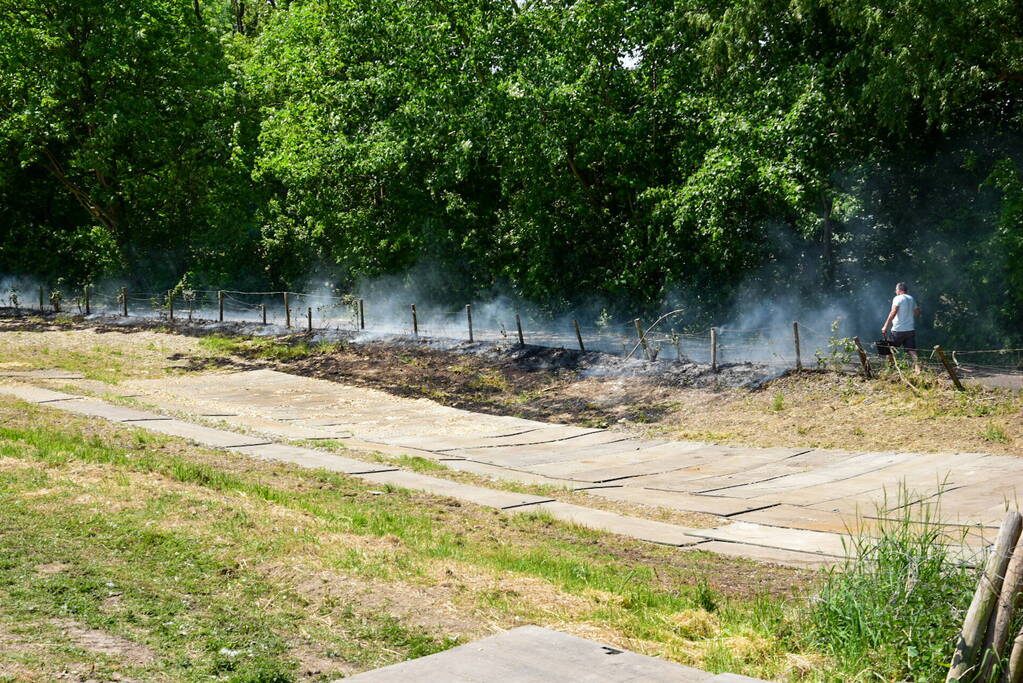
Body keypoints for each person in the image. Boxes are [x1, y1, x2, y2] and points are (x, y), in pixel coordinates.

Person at [881, 282, 922, 372]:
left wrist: (885, 326)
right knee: (911, 349)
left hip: (898, 329)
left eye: (896, 289)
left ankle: (889, 369)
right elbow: (917, 313)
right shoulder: (911, 298)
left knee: (889, 348)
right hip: (910, 329)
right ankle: (918, 365)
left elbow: (893, 312)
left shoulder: (897, 298)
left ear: (900, 290)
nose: (895, 291)